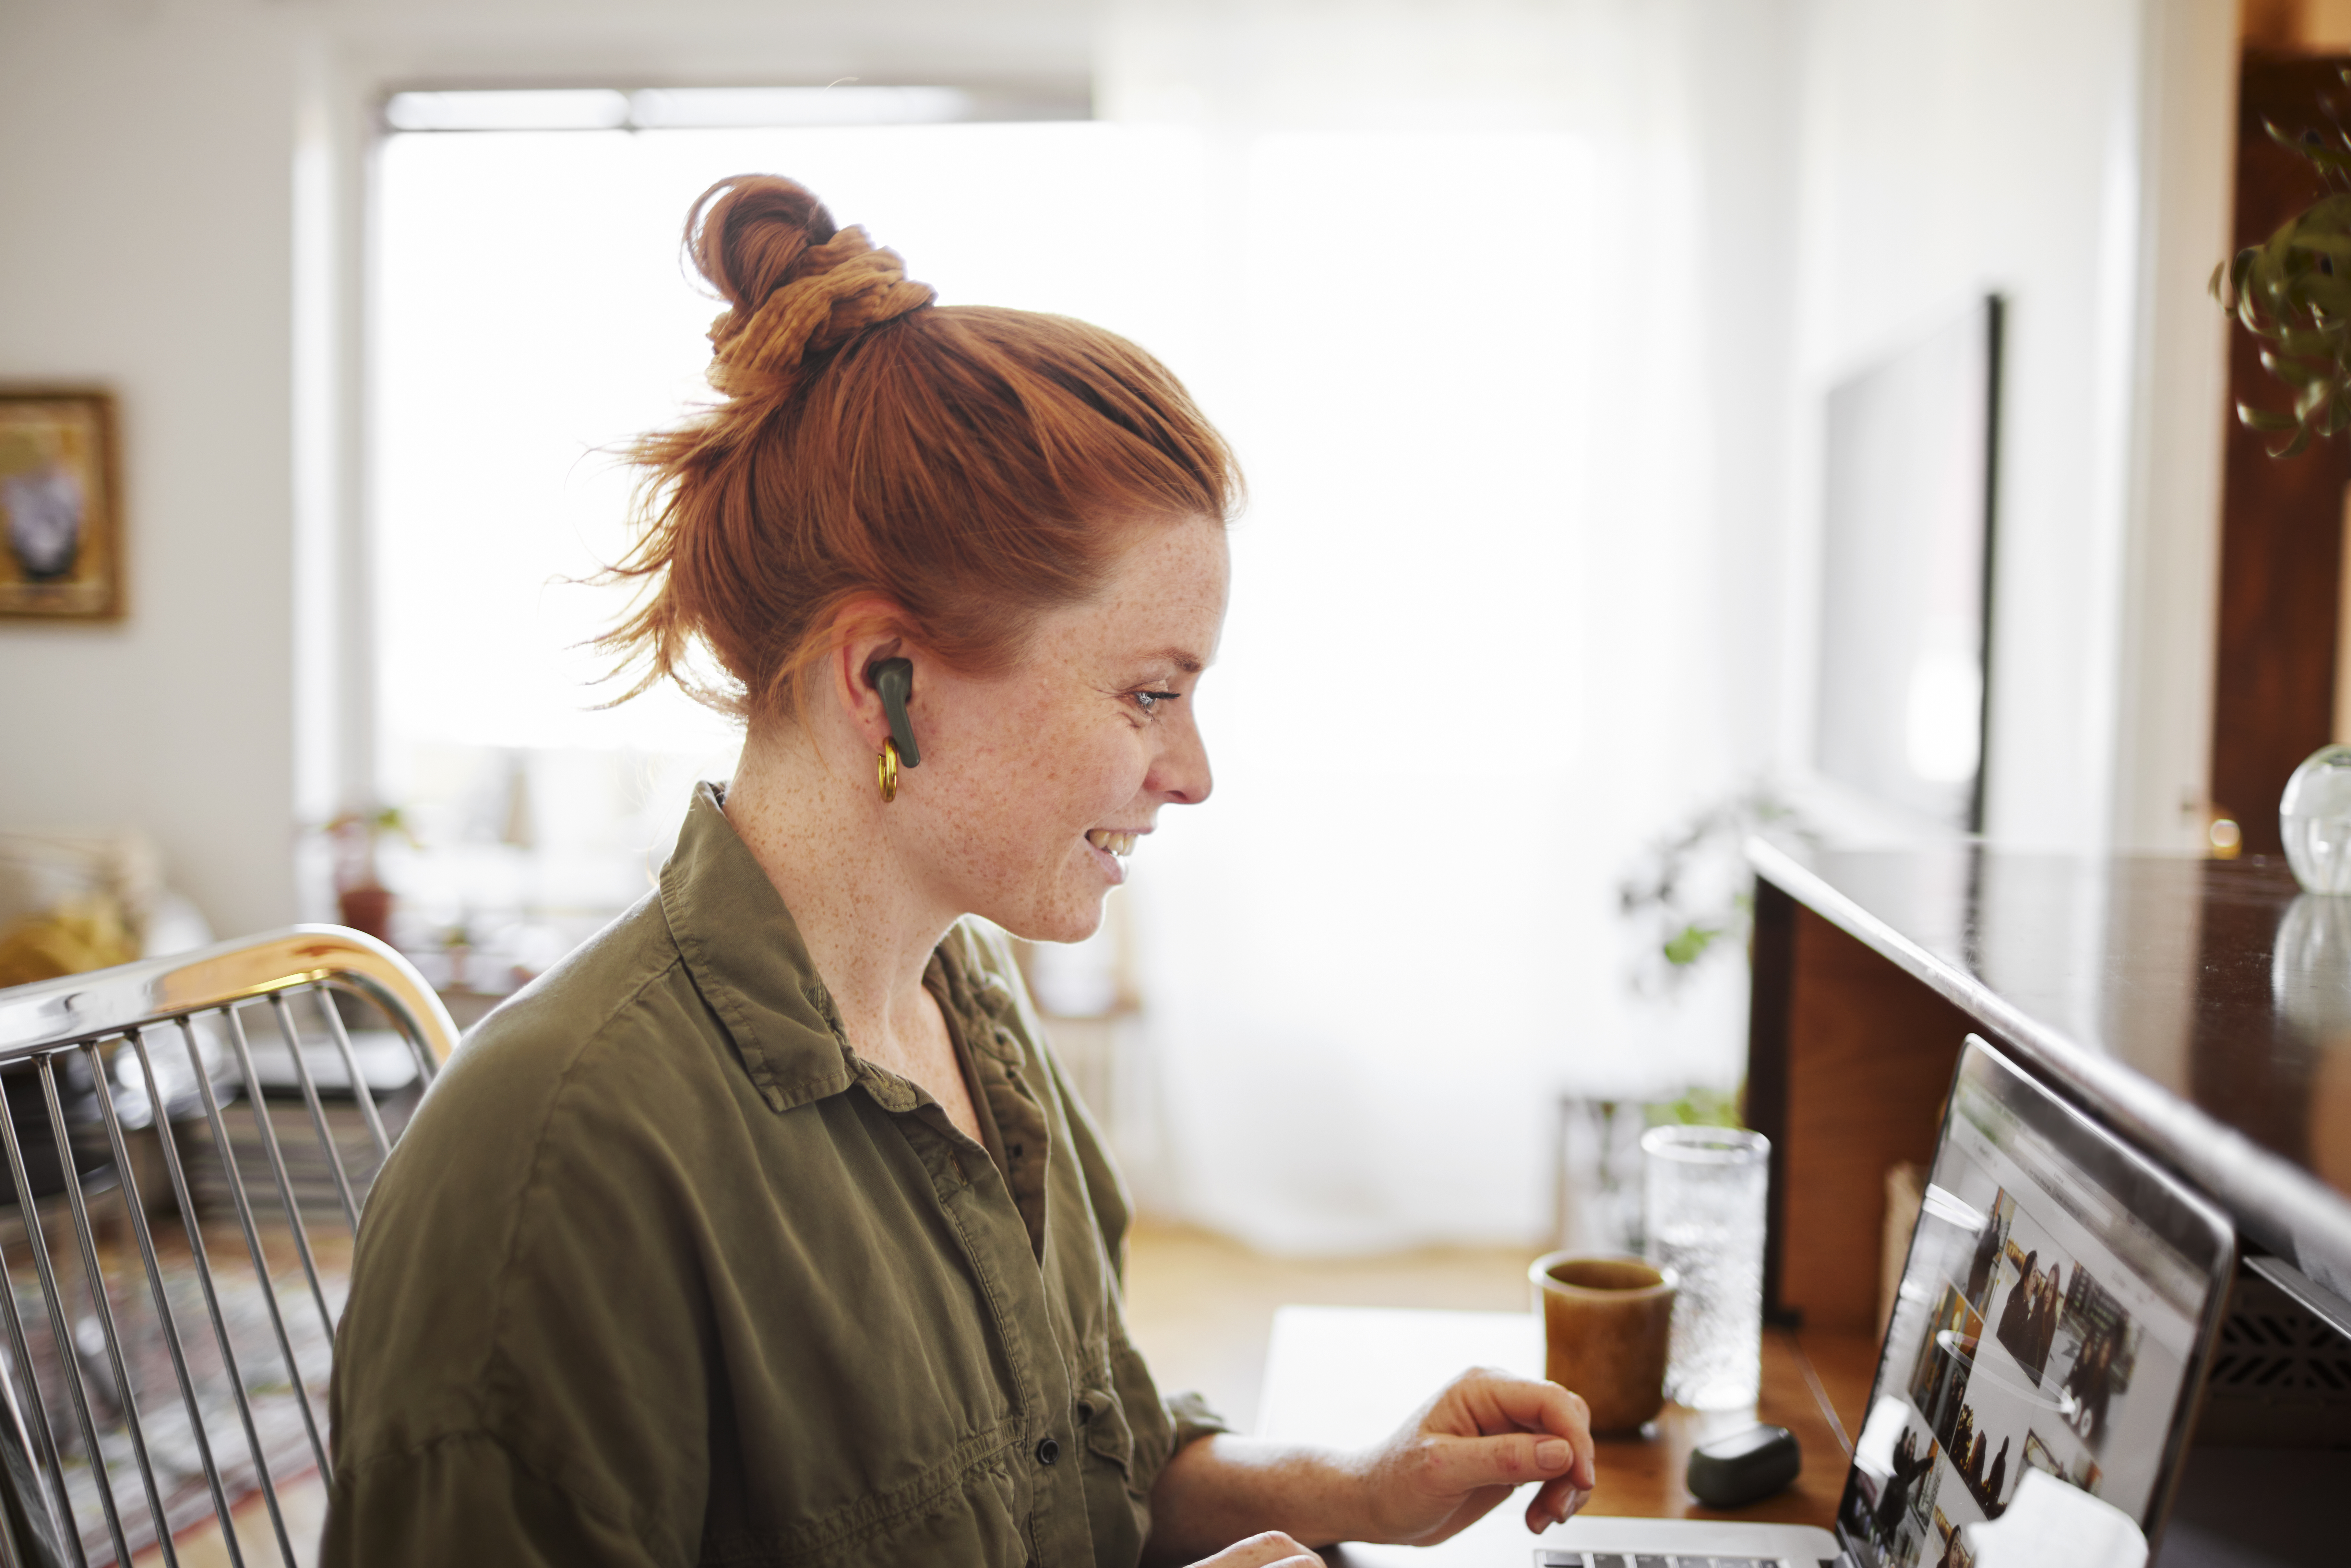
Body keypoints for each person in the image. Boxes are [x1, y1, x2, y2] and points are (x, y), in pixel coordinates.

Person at [321, 174, 1597, 1568]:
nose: (1193, 774)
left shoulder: (969, 1005)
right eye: (1149, 696)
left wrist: (1345, 1487)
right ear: (888, 680)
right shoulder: (562, 1161)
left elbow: (1086, 1467)